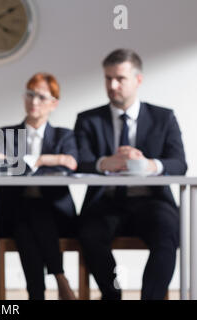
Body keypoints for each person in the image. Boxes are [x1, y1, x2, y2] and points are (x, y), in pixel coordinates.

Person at [74, 49, 187, 300]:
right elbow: (79, 161)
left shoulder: (163, 117)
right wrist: (105, 163)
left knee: (169, 231)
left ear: (138, 80)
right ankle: (111, 295)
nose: (113, 85)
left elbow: (179, 163)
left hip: (152, 200)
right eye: (107, 78)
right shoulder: (88, 119)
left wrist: (149, 165)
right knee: (89, 233)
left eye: (120, 78)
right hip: (107, 201)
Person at [0, 73, 78, 300]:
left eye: (41, 97)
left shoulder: (65, 135)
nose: (33, 102)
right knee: (26, 216)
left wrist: (23, 163)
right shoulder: (6, 133)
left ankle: (36, 295)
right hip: (13, 213)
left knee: (33, 216)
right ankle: (60, 276)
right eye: (30, 95)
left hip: (57, 215)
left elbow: (70, 165)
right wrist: (45, 160)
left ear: (54, 103)